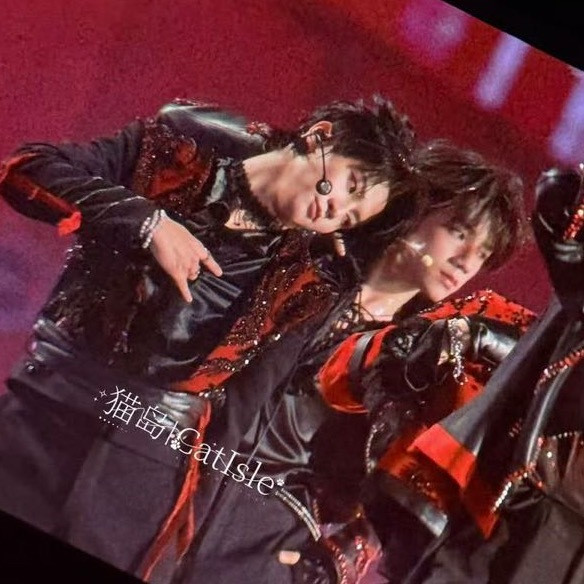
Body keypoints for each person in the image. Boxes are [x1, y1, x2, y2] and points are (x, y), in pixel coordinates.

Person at [0, 97, 421, 579]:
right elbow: (26, 169)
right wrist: (148, 225)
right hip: (47, 409)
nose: (335, 209)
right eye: (351, 185)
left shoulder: (305, 283)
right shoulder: (170, 159)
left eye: (348, 218)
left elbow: (243, 414)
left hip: (147, 464)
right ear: (320, 137)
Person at [168, 140, 531, 584]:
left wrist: (332, 562)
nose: (466, 262)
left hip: (262, 537)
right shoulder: (305, 263)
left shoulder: (424, 361)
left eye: (484, 253)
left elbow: (408, 491)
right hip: (173, 474)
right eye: (458, 231)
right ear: (418, 207)